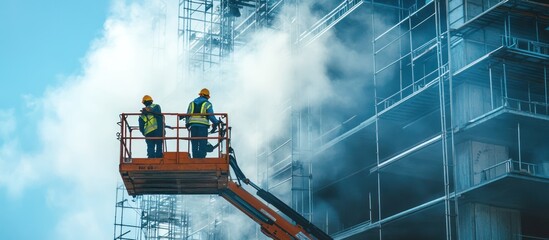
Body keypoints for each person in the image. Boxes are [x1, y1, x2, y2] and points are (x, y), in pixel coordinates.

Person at [186, 88, 220, 158]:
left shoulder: (191, 103)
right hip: (202, 126)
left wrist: (187, 124)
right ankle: (201, 158)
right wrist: (216, 122)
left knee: (194, 142)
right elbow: (211, 116)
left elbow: (187, 115)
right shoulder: (207, 104)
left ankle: (195, 157)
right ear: (207, 96)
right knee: (202, 142)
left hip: (193, 126)